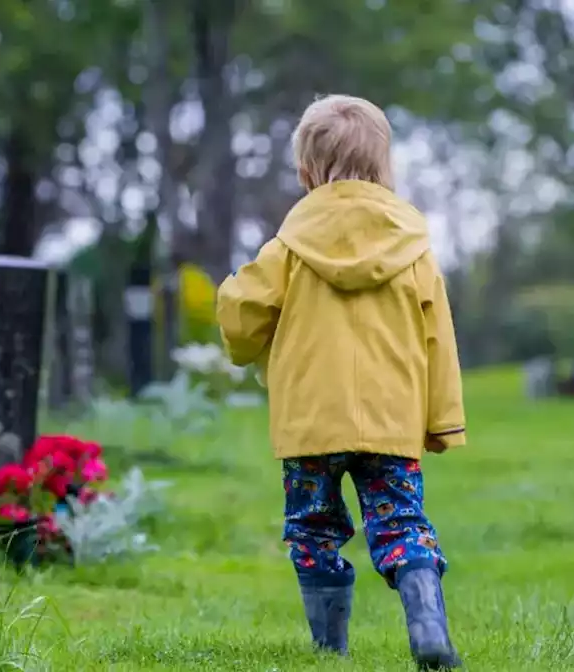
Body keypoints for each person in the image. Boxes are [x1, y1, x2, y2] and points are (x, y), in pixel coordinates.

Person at [216, 94, 466, 669]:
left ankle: (330, 648)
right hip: (391, 419)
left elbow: (241, 319)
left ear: (306, 172)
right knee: (402, 521)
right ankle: (427, 621)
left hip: (311, 423)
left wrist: (238, 319)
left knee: (313, 529)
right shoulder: (414, 248)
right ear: (385, 167)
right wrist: (441, 419)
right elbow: (438, 338)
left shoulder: (288, 249)